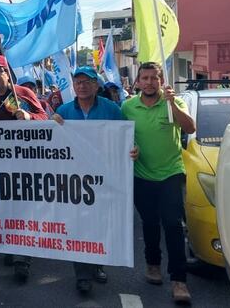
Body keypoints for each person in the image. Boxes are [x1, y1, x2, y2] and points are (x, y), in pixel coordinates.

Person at [51, 67, 137, 294]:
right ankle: (82, 275)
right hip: (74, 180)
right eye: (78, 82)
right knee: (79, 226)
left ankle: (97, 264)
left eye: (87, 82)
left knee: (99, 224)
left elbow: (124, 139)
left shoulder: (111, 109)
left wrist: (132, 150)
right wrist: (51, 124)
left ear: (96, 85)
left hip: (104, 178)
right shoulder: (64, 110)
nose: (82, 86)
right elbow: (53, 143)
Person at [121, 62, 196, 304]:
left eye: (154, 78)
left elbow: (190, 127)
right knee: (150, 223)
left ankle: (178, 280)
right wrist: (129, 150)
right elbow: (120, 137)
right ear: (138, 82)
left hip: (171, 174)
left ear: (161, 80)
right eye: (145, 78)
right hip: (141, 175)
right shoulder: (128, 107)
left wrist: (173, 104)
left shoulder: (173, 102)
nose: (150, 82)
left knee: (173, 224)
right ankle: (153, 264)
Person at [0, 54, 48, 283]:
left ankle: (22, 258)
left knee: (23, 208)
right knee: (3, 207)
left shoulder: (23, 94)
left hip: (24, 164)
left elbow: (46, 118)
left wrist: (29, 117)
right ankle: (10, 245)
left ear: (7, 73)